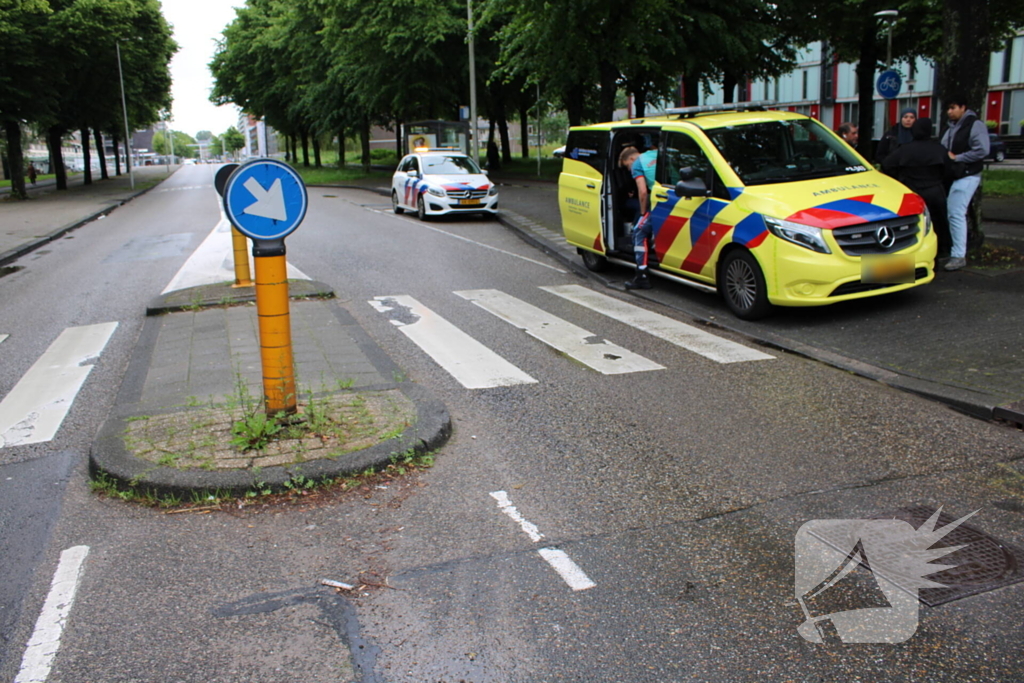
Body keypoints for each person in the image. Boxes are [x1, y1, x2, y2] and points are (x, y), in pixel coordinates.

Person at [881, 117, 951, 259]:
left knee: (914, 224)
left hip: (913, 190)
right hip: (935, 190)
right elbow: (950, 171)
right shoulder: (939, 149)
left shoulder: (905, 149)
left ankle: (912, 253)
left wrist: (900, 179)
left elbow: (887, 165)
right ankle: (942, 251)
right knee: (939, 223)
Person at [940, 95, 990, 271]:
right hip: (955, 174)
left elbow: (982, 149)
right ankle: (955, 250)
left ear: (963, 108)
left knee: (955, 212)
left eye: (953, 108)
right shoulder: (951, 127)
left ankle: (958, 255)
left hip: (967, 174)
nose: (949, 112)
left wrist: (958, 158)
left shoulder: (974, 125)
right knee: (954, 212)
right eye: (948, 108)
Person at [625, 144, 659, 290]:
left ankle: (641, 276)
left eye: (627, 166)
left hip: (660, 201)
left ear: (631, 159)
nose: (630, 170)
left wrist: (643, 212)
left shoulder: (637, 163)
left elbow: (643, 192)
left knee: (639, 231)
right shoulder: (658, 153)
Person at [614, 146, 640, 234]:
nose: (629, 169)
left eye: (628, 166)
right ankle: (634, 230)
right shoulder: (630, 172)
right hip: (625, 199)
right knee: (641, 206)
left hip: (633, 195)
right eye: (627, 166)